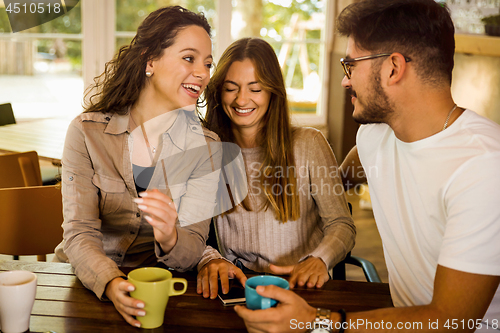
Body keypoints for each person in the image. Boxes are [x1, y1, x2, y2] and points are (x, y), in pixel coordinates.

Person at [234, 1, 500, 332]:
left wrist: (318, 322)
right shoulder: (375, 138)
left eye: (350, 65)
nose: (346, 81)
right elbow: (338, 182)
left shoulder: (484, 167)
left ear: (393, 68)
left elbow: (452, 320)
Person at [53, 6, 221, 328]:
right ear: (150, 61)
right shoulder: (86, 133)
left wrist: (171, 236)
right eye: (189, 58)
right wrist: (112, 283)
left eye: (208, 63)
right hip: (87, 285)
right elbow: (79, 234)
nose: (202, 73)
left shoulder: (207, 149)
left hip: (155, 290)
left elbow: (192, 249)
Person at [196, 37, 356, 300]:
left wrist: (320, 259)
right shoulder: (207, 149)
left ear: (273, 92)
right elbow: (186, 229)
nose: (241, 99)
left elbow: (342, 224)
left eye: (255, 89)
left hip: (301, 286)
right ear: (218, 92)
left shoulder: (308, 144)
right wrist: (208, 258)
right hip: (237, 287)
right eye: (231, 88)